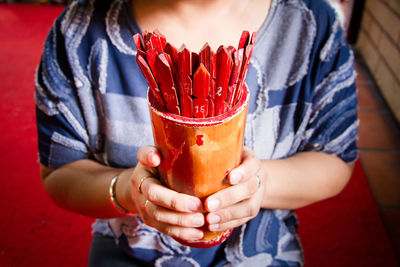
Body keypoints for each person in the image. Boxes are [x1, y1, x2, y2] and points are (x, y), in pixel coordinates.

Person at [35, 0, 358, 266]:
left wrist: (258, 184)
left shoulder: (313, 26)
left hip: (264, 252)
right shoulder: (78, 33)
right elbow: (60, 173)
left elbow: (334, 160)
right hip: (127, 249)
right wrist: (127, 191)